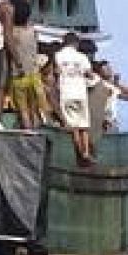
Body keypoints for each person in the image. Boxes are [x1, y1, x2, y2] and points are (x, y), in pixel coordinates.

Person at [5, 0, 50, 129]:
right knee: (33, 107)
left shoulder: (12, 33)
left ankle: (28, 133)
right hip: (34, 75)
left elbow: (9, 46)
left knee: (23, 110)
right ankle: (36, 131)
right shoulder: (33, 31)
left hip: (18, 75)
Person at [52, 33, 96, 166]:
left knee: (73, 127)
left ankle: (79, 153)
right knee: (84, 126)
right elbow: (89, 74)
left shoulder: (57, 56)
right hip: (80, 93)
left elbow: (56, 72)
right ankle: (86, 153)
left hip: (66, 93)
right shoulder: (82, 57)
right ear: (76, 43)